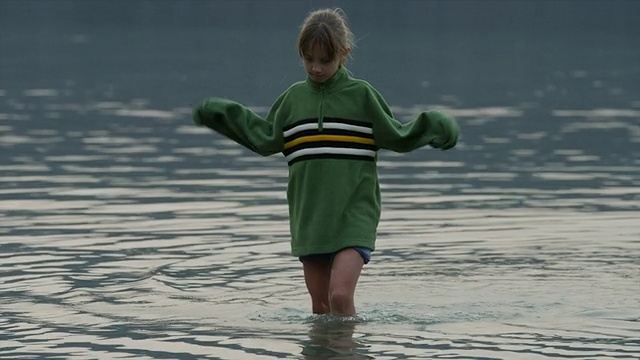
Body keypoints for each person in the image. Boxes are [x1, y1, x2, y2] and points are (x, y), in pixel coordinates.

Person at [192, 8, 459, 317]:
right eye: (308, 59)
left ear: (343, 54)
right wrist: (221, 114)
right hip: (310, 218)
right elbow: (264, 137)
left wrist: (435, 125)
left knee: (340, 298)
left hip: (353, 214)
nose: (316, 68)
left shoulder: (361, 96)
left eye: (324, 60)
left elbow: (398, 135)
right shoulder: (293, 100)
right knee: (320, 311)